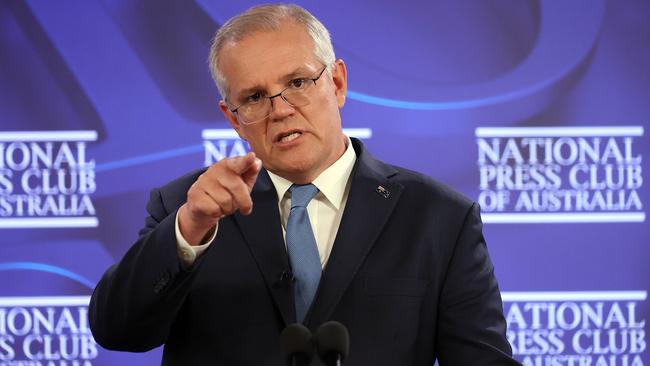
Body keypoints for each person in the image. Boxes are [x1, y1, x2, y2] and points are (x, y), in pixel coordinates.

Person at [89, 4, 520, 365]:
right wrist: (189, 229)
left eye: (297, 83)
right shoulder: (188, 209)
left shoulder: (438, 217)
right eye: (255, 97)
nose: (280, 110)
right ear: (232, 117)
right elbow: (116, 330)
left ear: (336, 83)